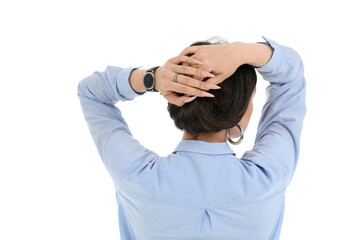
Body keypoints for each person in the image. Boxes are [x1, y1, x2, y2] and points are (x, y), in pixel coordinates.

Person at [77, 36, 306, 240]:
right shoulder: (268, 178)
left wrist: (153, 78)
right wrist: (244, 52)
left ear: (173, 97)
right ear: (243, 108)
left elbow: (92, 93)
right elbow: (291, 76)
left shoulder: (136, 176)